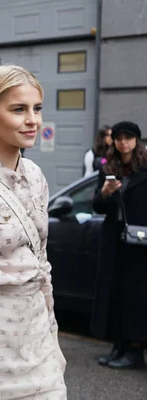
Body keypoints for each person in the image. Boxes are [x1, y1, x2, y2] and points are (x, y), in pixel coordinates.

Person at [0, 65, 67, 399]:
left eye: (36, 108)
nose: (33, 119)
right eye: (19, 109)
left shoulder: (36, 175)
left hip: (38, 334)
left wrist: (54, 334)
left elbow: (43, 264)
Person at [91, 121, 147, 369]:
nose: (123, 142)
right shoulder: (108, 167)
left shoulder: (145, 168)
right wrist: (104, 193)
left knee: (136, 295)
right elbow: (97, 207)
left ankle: (134, 349)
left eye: (129, 138)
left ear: (137, 140)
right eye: (119, 138)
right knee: (115, 292)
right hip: (115, 239)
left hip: (141, 242)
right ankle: (119, 345)